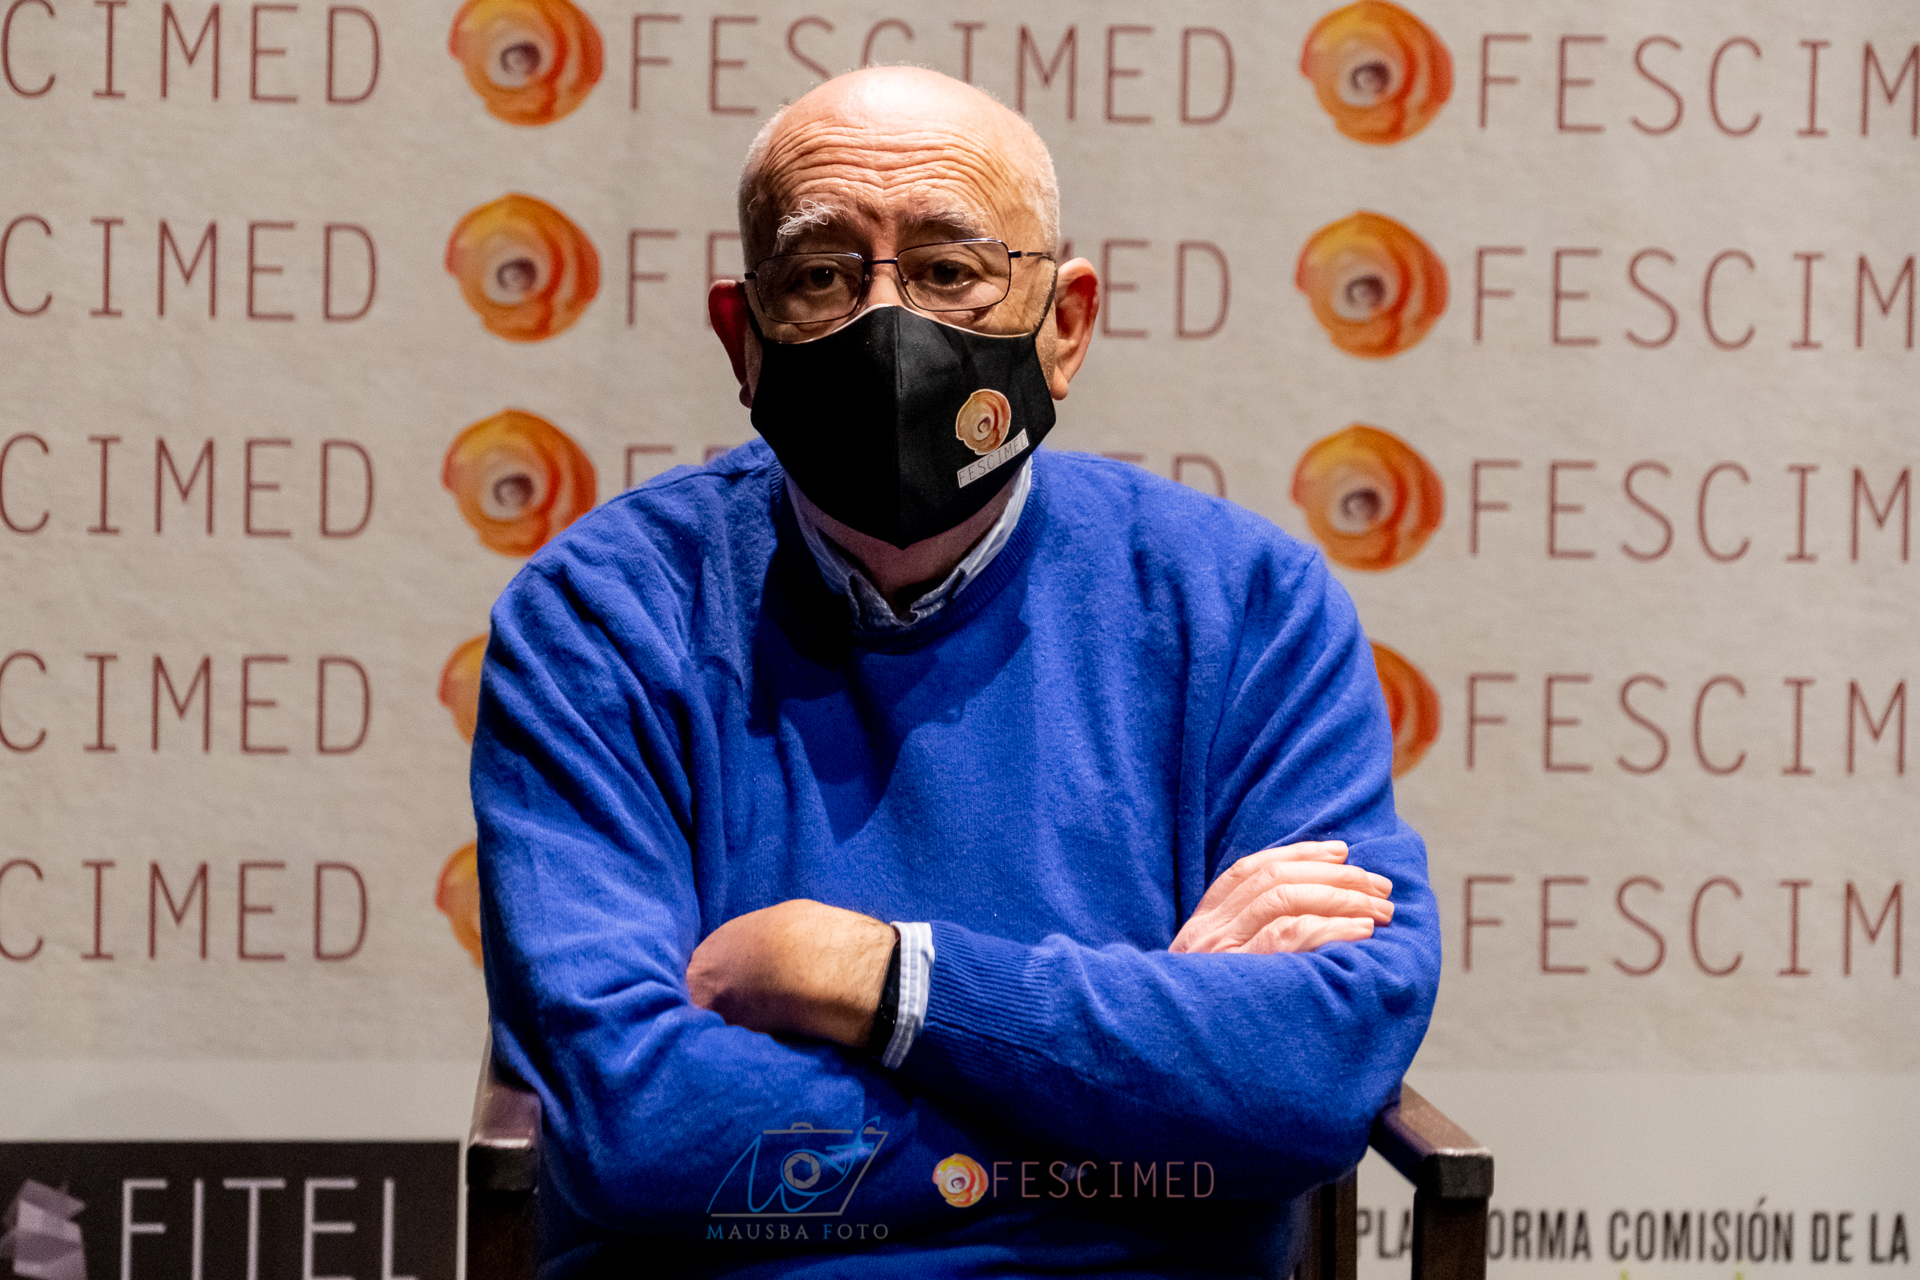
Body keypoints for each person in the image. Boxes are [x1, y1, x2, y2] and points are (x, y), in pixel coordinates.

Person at [472, 65, 1440, 1278]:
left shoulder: (1246, 606)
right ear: (744, 338)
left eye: (949, 269)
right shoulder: (598, 615)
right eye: (821, 276)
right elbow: (640, 1126)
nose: (889, 324)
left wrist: (875, 977)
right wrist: (1139, 1110)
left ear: (1065, 325)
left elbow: (1310, 1071)